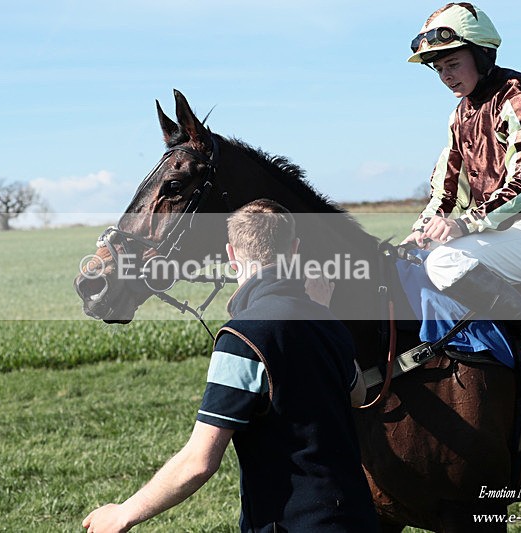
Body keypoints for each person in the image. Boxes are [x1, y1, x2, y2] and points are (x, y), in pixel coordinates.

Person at [82, 199, 378, 532]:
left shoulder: (242, 337)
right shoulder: (327, 321)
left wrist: (123, 513)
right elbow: (358, 393)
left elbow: (199, 462)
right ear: (294, 250)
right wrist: (324, 312)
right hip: (358, 520)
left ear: (231, 255)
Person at [401, 2, 521, 395]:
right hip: (501, 229)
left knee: (446, 261)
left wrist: (464, 224)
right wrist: (420, 231)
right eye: (438, 69)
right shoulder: (460, 115)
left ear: (481, 54)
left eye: (452, 63)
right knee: (414, 260)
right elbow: (446, 190)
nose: (445, 76)